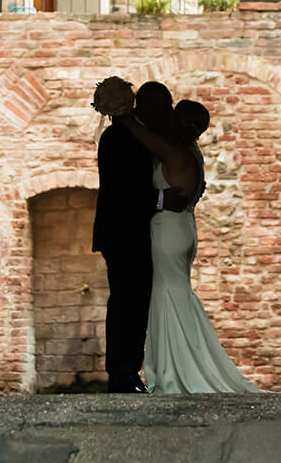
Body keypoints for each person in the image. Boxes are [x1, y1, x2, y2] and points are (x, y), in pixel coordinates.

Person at [111, 98, 263, 394]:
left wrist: (119, 109)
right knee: (172, 296)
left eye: (172, 114)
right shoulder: (192, 152)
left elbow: (133, 129)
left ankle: (176, 371)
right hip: (183, 229)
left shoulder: (172, 149)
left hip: (168, 230)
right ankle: (176, 367)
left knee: (168, 296)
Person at [92, 81, 188, 393]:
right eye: (164, 105)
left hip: (134, 234)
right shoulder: (118, 138)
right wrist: (161, 201)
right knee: (126, 302)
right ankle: (122, 373)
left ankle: (128, 371)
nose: (168, 112)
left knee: (135, 302)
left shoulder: (139, 136)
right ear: (145, 106)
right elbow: (123, 192)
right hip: (122, 234)